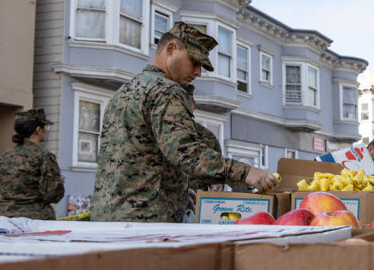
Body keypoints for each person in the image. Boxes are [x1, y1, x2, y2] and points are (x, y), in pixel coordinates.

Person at [91, 22, 279, 222]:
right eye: (194, 62)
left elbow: (139, 158)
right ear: (171, 49)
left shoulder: (124, 92)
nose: (198, 72)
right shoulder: (167, 90)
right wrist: (247, 172)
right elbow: (185, 151)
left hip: (106, 216)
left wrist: (180, 191)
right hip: (146, 222)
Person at [0, 108, 65, 219]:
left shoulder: (4, 157)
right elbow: (53, 196)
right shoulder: (43, 157)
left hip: (3, 217)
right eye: (46, 127)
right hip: (34, 220)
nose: (47, 131)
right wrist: (58, 183)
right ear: (38, 130)